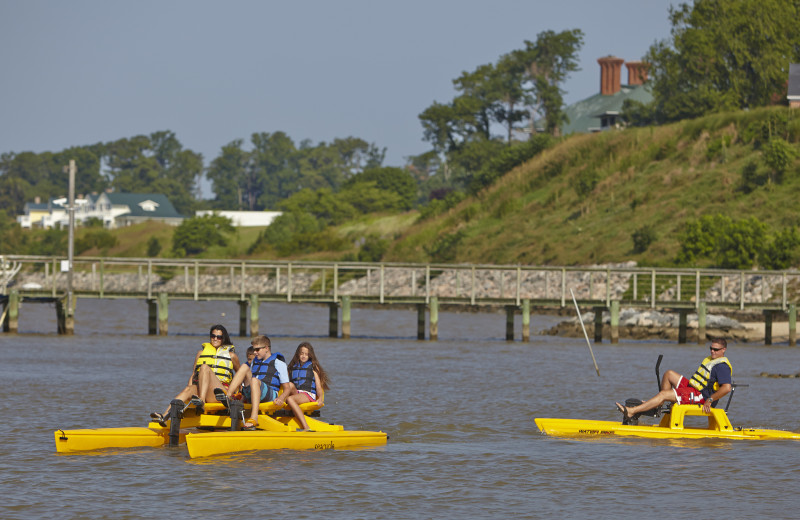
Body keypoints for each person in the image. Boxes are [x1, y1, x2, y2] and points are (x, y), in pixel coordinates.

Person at [615, 338, 732, 422]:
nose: (712, 351)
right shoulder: (712, 360)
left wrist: (710, 400)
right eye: (711, 348)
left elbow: (727, 388)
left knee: (664, 394)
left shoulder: (722, 366)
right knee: (669, 374)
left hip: (702, 397)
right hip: (695, 389)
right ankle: (659, 403)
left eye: (716, 350)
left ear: (724, 350)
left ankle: (632, 411)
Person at [150, 324, 240, 425]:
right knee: (188, 389)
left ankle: (201, 401)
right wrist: (189, 389)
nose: (215, 339)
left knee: (204, 367)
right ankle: (165, 416)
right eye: (213, 336)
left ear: (223, 339)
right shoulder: (201, 354)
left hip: (219, 394)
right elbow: (194, 374)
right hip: (202, 390)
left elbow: (240, 375)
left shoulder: (232, 356)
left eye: (219, 337)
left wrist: (237, 394)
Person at [222, 335, 290, 430]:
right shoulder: (255, 362)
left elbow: (287, 388)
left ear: (266, 348)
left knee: (254, 380)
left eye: (257, 349)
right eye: (254, 349)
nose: (255, 352)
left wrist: (281, 398)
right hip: (254, 392)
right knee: (245, 367)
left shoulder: (279, 363)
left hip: (270, 395)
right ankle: (228, 396)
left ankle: (254, 418)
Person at [274, 342, 331, 431]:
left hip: (308, 395)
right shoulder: (293, 367)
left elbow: (319, 386)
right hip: (297, 393)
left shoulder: (313, 367)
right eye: (302, 353)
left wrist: (320, 398)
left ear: (310, 355)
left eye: (306, 354)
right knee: (289, 385)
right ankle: (274, 416)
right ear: (298, 354)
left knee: (290, 399)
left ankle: (306, 427)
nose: (304, 356)